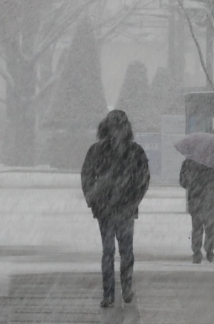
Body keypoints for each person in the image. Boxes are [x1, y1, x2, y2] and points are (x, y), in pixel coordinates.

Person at [81, 110, 150, 308]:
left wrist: (133, 202)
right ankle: (108, 292)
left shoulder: (135, 152)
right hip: (105, 209)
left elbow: (143, 179)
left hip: (125, 209)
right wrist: (93, 200)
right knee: (109, 250)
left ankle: (126, 287)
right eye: (114, 127)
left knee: (126, 250)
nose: (116, 131)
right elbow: (86, 176)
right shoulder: (97, 151)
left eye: (119, 127)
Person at [179, 159, 214, 263]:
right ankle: (209, 250)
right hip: (210, 198)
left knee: (197, 227)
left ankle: (197, 252)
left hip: (195, 198)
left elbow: (183, 182)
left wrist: (192, 182)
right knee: (211, 226)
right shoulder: (213, 161)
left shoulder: (188, 162)